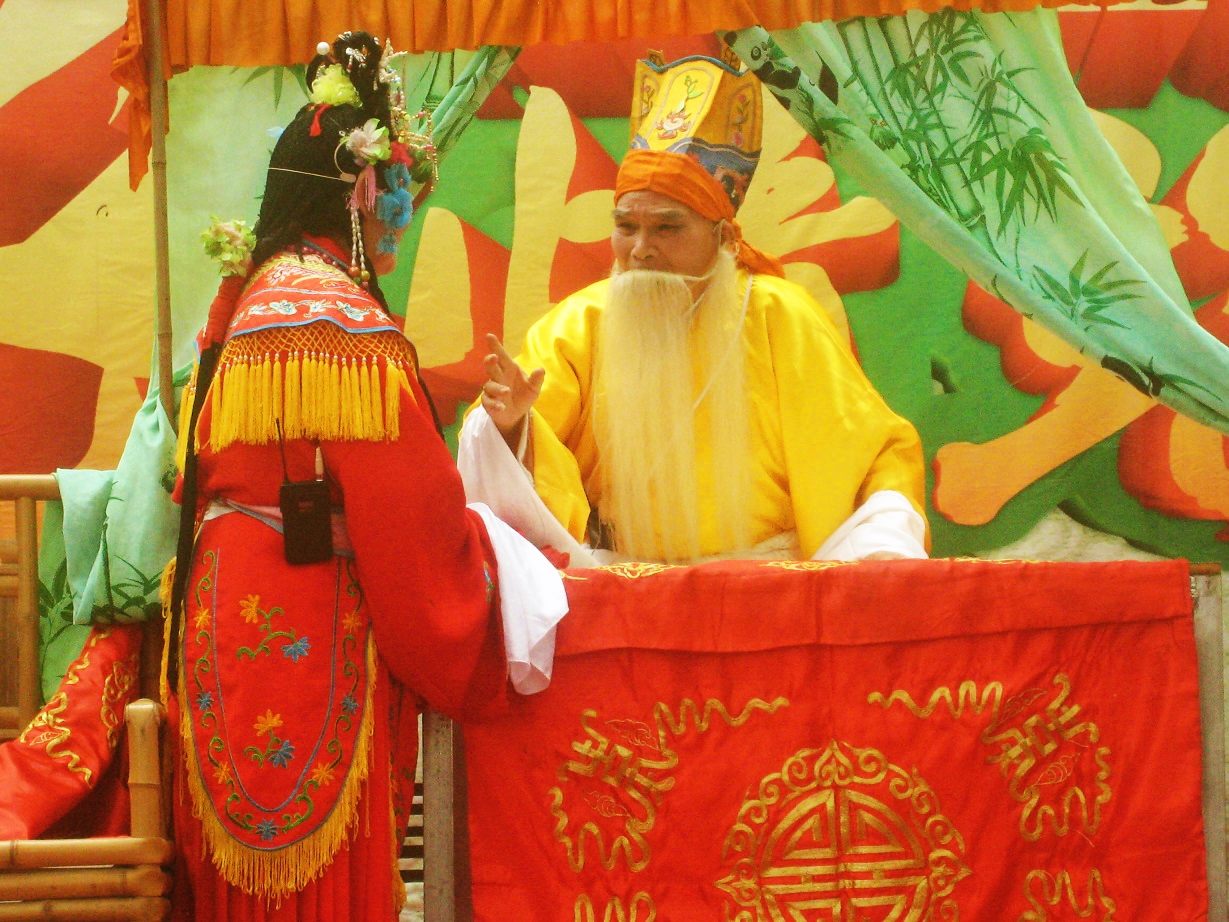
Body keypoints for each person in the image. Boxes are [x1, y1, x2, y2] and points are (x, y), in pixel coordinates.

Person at [166, 31, 564, 921]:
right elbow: (414, 535)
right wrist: (497, 568)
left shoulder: (248, 300)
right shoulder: (346, 329)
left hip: (220, 605)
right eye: (396, 186)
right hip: (313, 617)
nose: (401, 210)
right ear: (357, 187)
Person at [458, 51, 929, 565]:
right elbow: (516, 465)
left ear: (723, 237)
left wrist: (882, 544)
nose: (641, 249)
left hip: (768, 584)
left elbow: (874, 460)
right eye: (626, 227)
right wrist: (511, 429)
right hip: (628, 585)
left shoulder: (780, 316)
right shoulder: (578, 326)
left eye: (667, 228)